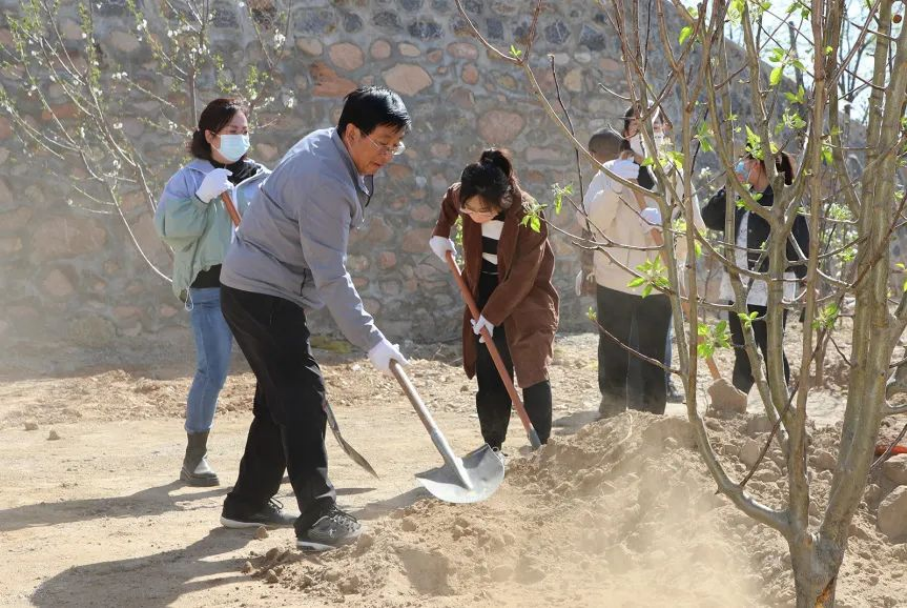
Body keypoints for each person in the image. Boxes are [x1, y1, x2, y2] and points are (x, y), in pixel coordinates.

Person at [217, 87, 411, 551]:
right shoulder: (327, 180)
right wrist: (373, 342)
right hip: (261, 293)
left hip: (249, 283)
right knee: (303, 396)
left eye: (395, 145)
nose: (387, 155)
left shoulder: (329, 144)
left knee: (277, 399)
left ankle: (246, 503)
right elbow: (332, 276)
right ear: (352, 131)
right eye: (381, 143)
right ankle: (319, 515)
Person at [154, 98, 270, 487]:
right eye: (231, 131)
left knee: (275, 369)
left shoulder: (261, 178)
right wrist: (201, 199)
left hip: (256, 286)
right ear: (210, 135)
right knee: (213, 370)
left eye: (244, 131)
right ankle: (195, 457)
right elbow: (172, 232)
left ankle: (281, 452)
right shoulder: (188, 180)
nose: (240, 138)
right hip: (210, 287)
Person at [429, 149, 559, 452]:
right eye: (469, 210)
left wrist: (492, 315)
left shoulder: (527, 214)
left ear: (501, 201)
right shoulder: (468, 194)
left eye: (480, 211)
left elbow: (523, 277)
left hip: (527, 296)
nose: (473, 216)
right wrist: (441, 232)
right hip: (484, 287)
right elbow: (452, 199)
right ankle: (492, 445)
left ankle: (541, 444)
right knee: (490, 369)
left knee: (531, 367)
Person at [579, 129, 672, 418]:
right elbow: (592, 222)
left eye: (654, 128)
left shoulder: (674, 173)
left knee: (653, 355)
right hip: (615, 279)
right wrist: (614, 187)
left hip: (657, 281)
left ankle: (653, 418)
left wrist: (667, 230)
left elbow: (695, 233)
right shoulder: (609, 172)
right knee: (613, 350)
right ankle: (612, 414)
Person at [701, 151, 810, 394]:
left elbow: (800, 243)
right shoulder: (743, 196)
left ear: (759, 164)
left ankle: (780, 406)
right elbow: (709, 218)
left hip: (768, 287)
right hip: (738, 284)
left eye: (745, 160)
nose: (740, 164)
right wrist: (730, 185)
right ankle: (737, 407)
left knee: (770, 348)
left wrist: (803, 281)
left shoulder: (783, 197)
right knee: (742, 349)